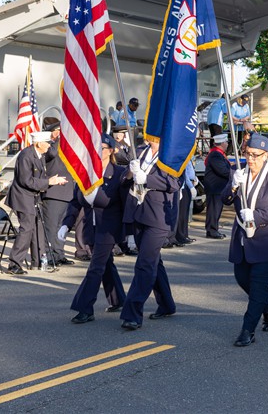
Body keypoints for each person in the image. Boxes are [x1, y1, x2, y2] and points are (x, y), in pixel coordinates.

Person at [222, 134, 268, 347]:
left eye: (256, 155)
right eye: (248, 154)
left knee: (259, 287)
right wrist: (233, 186)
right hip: (242, 238)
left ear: (266, 155)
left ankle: (247, 330)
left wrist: (257, 216)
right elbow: (225, 199)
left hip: (266, 239)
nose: (251, 159)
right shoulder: (239, 171)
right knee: (242, 278)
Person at [60, 134, 130, 324]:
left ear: (112, 151)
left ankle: (84, 308)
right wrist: (66, 224)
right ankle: (118, 299)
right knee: (106, 264)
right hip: (90, 228)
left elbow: (127, 203)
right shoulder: (86, 173)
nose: (98, 152)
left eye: (103, 148)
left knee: (95, 267)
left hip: (109, 228)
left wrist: (130, 230)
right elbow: (76, 201)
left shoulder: (119, 173)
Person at [119, 139, 181, 330]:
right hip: (138, 212)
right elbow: (124, 180)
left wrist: (146, 178)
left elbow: (175, 183)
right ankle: (167, 304)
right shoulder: (140, 151)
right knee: (154, 261)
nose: (151, 137)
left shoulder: (172, 155)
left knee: (144, 264)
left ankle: (132, 313)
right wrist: (131, 172)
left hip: (159, 217)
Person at [5, 131, 68, 274]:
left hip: (33, 197)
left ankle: (39, 261)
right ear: (39, 143)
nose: (49, 146)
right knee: (26, 229)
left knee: (38, 229)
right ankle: (14, 264)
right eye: (47, 143)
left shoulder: (39, 155)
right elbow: (26, 181)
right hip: (22, 197)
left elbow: (39, 176)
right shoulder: (26, 155)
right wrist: (49, 182)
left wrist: (53, 181)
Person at [41, 119, 75, 266]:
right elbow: (51, 154)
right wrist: (58, 139)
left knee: (61, 227)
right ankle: (48, 256)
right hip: (53, 192)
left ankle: (59, 253)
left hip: (67, 192)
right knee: (51, 227)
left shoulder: (69, 147)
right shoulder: (50, 146)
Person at [204, 134, 231, 239]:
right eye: (226, 142)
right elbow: (222, 170)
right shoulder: (216, 155)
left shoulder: (218, 154)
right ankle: (212, 230)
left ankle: (214, 229)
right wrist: (234, 173)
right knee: (213, 210)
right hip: (215, 187)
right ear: (222, 143)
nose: (227, 144)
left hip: (218, 187)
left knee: (216, 210)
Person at [170, 157, 197, 247]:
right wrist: (190, 186)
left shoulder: (188, 156)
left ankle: (184, 235)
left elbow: (190, 170)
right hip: (185, 185)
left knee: (185, 213)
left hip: (188, 184)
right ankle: (180, 236)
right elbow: (184, 175)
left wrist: (195, 179)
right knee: (181, 213)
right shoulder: (183, 156)